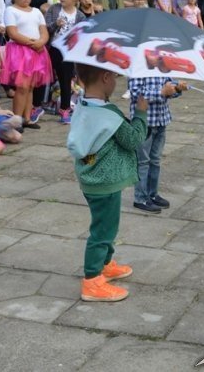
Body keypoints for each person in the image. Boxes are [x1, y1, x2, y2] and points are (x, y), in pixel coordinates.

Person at [67, 63, 148, 302]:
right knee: (103, 230)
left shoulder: (83, 105)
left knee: (106, 224)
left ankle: (104, 263)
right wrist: (141, 113)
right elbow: (133, 139)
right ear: (105, 77)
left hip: (92, 178)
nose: (115, 81)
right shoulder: (108, 114)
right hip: (105, 182)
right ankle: (92, 280)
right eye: (114, 76)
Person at [127, 76, 188, 213]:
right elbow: (136, 93)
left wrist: (177, 88)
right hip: (145, 122)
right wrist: (161, 92)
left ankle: (152, 194)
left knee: (155, 160)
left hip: (161, 120)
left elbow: (169, 87)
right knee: (143, 162)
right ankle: (140, 198)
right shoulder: (138, 69)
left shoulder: (161, 68)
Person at [1, 0, 53, 130]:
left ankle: (27, 118)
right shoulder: (11, 10)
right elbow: (12, 33)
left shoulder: (36, 11)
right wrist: (33, 43)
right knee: (22, 87)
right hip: (20, 52)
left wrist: (41, 42)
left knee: (30, 87)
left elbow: (43, 31)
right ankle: (16, 120)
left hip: (37, 52)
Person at [45, 0, 85, 124]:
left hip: (68, 51)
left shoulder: (79, 15)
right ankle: (41, 103)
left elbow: (82, 34)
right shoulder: (54, 10)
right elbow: (46, 28)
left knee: (66, 79)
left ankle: (65, 108)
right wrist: (56, 24)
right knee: (47, 77)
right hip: (54, 48)